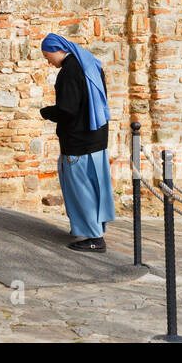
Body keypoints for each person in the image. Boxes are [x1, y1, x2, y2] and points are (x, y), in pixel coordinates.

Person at [39, 33, 115, 253]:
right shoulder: (90, 63)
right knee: (95, 188)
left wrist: (46, 112)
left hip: (78, 141)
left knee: (82, 191)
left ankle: (94, 238)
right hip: (97, 138)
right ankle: (95, 230)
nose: (48, 61)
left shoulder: (69, 72)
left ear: (57, 49)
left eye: (47, 56)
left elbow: (68, 110)